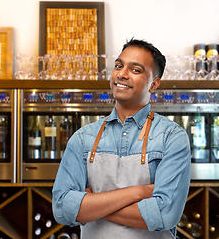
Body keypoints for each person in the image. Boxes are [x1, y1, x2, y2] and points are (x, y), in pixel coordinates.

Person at [52, 38, 191, 239]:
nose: (122, 74)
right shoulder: (83, 138)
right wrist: (139, 192)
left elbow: (164, 214)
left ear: (154, 84)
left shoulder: (171, 137)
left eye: (136, 70)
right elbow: (62, 209)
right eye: (119, 66)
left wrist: (92, 205)